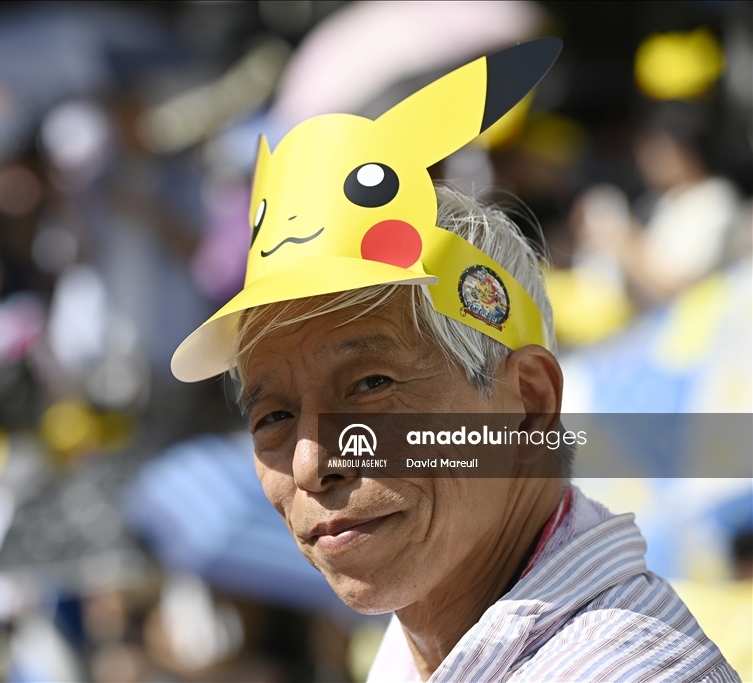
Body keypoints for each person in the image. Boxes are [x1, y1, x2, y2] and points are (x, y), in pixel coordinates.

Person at [170, 40, 740, 682]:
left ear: (528, 404)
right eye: (271, 417)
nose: (310, 464)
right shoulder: (420, 641)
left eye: (370, 385)